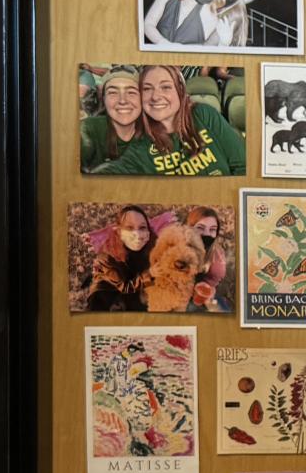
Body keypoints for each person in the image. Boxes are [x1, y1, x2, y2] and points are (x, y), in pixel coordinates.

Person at [84, 64, 245, 178]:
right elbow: (112, 172)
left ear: (180, 91)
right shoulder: (140, 144)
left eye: (166, 87)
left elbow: (242, 166)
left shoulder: (204, 115)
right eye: (147, 89)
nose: (155, 96)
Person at [81, 205, 151, 312]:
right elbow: (125, 286)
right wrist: (150, 273)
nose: (137, 234)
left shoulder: (150, 241)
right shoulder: (107, 255)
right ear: (119, 231)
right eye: (129, 228)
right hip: (110, 287)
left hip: (131, 279)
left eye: (142, 227)